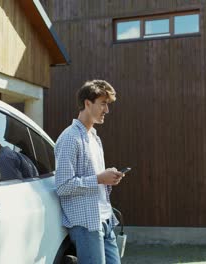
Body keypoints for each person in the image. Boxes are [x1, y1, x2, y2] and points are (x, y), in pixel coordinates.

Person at [55, 80, 125, 264]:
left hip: (105, 219)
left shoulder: (94, 137)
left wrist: (108, 177)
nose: (106, 110)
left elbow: (95, 178)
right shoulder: (70, 138)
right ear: (87, 103)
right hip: (87, 225)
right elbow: (63, 186)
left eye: (107, 104)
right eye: (103, 103)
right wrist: (99, 179)